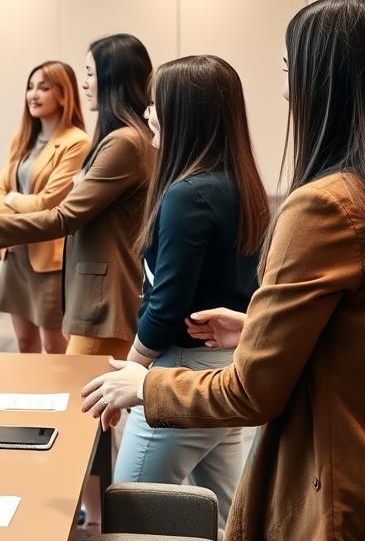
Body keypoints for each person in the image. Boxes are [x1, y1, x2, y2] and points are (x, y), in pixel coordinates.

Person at [82, 0, 365, 541]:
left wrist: (147, 386)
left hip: (336, 500)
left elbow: (251, 392)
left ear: (323, 80)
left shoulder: (325, 206)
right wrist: (257, 328)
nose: (285, 91)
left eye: (290, 69)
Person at [0, 33, 155, 528]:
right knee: (94, 414)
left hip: (105, 297)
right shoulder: (119, 138)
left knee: (84, 414)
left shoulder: (123, 141)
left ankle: (92, 518)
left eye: (91, 73)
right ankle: (94, 515)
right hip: (97, 291)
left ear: (113, 78)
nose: (86, 83)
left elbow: (62, 214)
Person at [113, 55, 269, 533]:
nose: (147, 114)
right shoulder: (239, 183)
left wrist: (131, 372)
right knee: (225, 518)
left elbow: (166, 305)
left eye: (156, 103)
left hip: (183, 372)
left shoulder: (187, 194)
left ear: (184, 111)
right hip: (225, 370)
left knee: (133, 515)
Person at [0, 61, 89, 354]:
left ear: (63, 94)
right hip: (15, 251)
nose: (33, 95)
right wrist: (9, 202)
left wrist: (11, 199)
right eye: (30, 87)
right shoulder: (21, 138)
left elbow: (50, 202)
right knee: (24, 343)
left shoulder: (77, 142)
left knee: (55, 347)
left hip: (48, 257)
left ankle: (61, 400)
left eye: (43, 88)